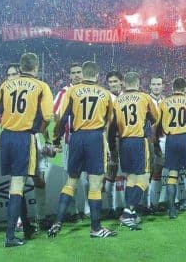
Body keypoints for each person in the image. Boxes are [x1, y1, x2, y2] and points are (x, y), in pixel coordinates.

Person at [0, 53, 53, 247]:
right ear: (35, 68)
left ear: (20, 68)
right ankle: (10, 236)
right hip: (24, 137)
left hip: (7, 136)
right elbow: (48, 116)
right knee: (18, 184)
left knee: (18, 181)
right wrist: (38, 132)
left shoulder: (5, 85)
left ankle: (26, 227)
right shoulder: (42, 87)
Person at [48, 61, 116, 238]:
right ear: (97, 75)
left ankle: (57, 222)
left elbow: (62, 119)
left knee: (71, 181)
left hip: (76, 137)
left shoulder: (72, 91)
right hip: (95, 137)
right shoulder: (106, 94)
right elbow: (108, 123)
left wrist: (56, 139)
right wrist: (108, 146)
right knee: (95, 183)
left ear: (83, 74)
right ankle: (96, 228)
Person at [110, 72, 160, 229]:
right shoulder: (145, 98)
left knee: (131, 178)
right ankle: (127, 213)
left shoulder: (117, 100)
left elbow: (112, 126)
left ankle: (131, 214)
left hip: (124, 142)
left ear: (124, 84)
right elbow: (155, 118)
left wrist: (113, 149)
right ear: (138, 83)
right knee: (144, 178)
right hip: (139, 141)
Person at [155, 77, 186, 219]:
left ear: (172, 88)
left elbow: (157, 126)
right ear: (185, 88)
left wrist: (156, 143)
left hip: (171, 139)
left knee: (173, 173)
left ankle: (171, 210)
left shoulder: (164, 102)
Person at [52, 63, 87, 222]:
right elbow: (57, 115)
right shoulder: (64, 92)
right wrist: (57, 136)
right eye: (73, 72)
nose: (77, 75)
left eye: (79, 71)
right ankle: (73, 211)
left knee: (88, 175)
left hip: (89, 139)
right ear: (69, 75)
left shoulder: (90, 90)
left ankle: (87, 209)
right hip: (70, 139)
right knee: (71, 175)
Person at [104, 70, 124, 218]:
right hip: (111, 140)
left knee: (126, 173)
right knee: (111, 171)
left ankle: (122, 206)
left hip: (127, 140)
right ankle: (109, 207)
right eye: (110, 82)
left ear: (121, 82)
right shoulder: (105, 98)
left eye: (115, 81)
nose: (113, 84)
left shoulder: (127, 97)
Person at [147, 76, 166, 211]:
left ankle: (155, 202)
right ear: (150, 86)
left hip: (165, 140)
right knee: (149, 171)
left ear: (163, 86)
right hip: (150, 141)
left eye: (158, 84)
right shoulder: (146, 101)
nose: (156, 87)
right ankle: (147, 203)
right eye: (154, 84)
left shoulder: (166, 101)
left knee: (159, 171)